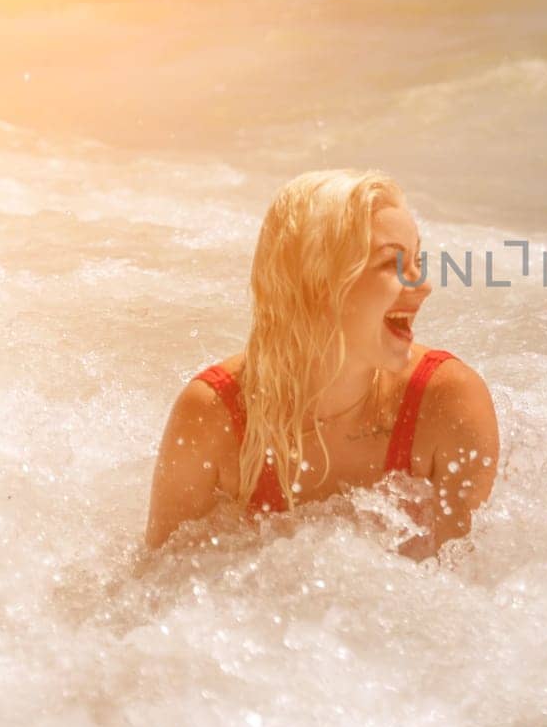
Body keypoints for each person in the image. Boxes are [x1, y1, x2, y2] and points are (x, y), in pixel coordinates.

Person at [144, 170, 499, 553]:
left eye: (417, 260)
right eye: (392, 263)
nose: (424, 284)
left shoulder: (446, 402)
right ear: (319, 282)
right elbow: (159, 587)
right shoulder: (215, 415)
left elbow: (471, 589)